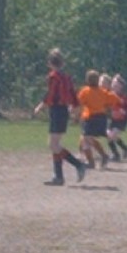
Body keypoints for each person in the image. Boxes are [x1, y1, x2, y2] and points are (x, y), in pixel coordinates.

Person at [32, 49, 87, 186]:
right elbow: (73, 94)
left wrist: (41, 106)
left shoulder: (53, 77)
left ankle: (78, 164)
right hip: (63, 111)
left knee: (53, 144)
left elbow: (51, 94)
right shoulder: (66, 77)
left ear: (50, 63)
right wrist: (76, 108)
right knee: (55, 144)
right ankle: (59, 177)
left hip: (57, 110)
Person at [77, 69, 120, 169]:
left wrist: (74, 113)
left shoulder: (85, 91)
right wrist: (107, 105)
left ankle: (92, 162)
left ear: (87, 80)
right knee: (89, 139)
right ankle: (103, 156)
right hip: (101, 118)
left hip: (91, 118)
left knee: (85, 140)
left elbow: (78, 103)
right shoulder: (102, 92)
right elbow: (115, 99)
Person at [107, 73, 127, 160]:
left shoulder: (124, 97)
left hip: (121, 120)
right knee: (109, 136)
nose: (114, 85)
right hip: (112, 119)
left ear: (121, 86)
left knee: (112, 135)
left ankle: (116, 154)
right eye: (113, 83)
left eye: (116, 84)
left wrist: (124, 112)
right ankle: (125, 149)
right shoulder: (109, 95)